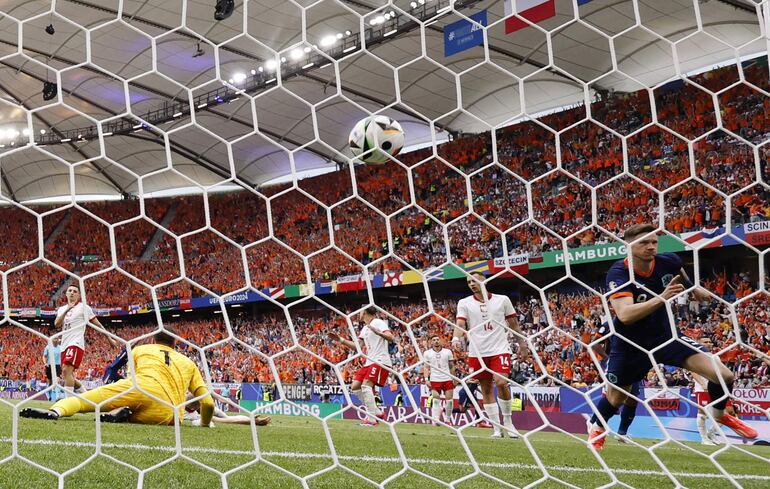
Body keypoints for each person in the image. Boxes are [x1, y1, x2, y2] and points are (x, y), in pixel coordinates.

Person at [588, 224, 757, 451]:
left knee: (723, 375)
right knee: (617, 398)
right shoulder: (619, 273)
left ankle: (719, 414)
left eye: (653, 242)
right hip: (631, 345)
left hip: (666, 338)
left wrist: (694, 289)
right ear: (628, 246)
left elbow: (679, 274)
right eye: (643, 242)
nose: (650, 247)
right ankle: (597, 427)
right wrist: (662, 297)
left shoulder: (669, 260)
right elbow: (625, 315)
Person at [20, 327, 215, 426]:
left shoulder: (141, 349)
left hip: (138, 389)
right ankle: (120, 414)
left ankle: (55, 412)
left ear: (154, 339)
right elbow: (208, 403)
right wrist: (204, 424)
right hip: (167, 413)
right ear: (175, 344)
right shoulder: (189, 363)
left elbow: (132, 379)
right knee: (141, 413)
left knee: (82, 402)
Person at [452, 272, 529, 439]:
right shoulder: (464, 303)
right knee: (486, 389)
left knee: (501, 382)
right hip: (477, 351)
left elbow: (514, 325)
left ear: (484, 281)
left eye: (474, 280)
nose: (471, 284)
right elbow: (460, 323)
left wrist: (522, 345)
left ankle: (508, 423)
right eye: (468, 282)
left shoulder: (502, 300)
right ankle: (496, 427)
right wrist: (456, 338)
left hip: (499, 349)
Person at [329, 306, 394, 426]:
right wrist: (341, 339)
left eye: (360, 311)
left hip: (380, 360)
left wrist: (378, 332)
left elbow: (391, 337)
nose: (358, 313)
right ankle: (377, 411)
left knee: (366, 386)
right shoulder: (365, 328)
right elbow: (357, 347)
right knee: (355, 386)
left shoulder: (378, 322)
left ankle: (371, 419)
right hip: (369, 361)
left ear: (365, 312)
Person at [54, 284, 117, 397]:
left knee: (67, 370)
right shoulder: (61, 309)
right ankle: (86, 396)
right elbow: (57, 325)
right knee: (66, 374)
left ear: (78, 295)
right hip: (64, 345)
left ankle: (68, 402)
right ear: (66, 293)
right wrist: (67, 310)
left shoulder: (84, 308)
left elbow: (98, 324)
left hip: (76, 343)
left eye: (75, 291)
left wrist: (109, 338)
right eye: (70, 290)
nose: (72, 293)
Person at [590, 322, 640, 443]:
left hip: (633, 364)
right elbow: (595, 343)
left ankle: (622, 433)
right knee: (612, 396)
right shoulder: (610, 324)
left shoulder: (639, 323)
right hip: (615, 364)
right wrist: (608, 358)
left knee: (632, 398)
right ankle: (593, 423)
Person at [422, 335, 456, 425]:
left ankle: (448, 420)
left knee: (449, 401)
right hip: (434, 379)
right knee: (436, 400)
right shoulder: (427, 353)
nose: (436, 341)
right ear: (431, 342)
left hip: (447, 378)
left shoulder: (448, 352)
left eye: (437, 339)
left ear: (440, 341)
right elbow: (426, 367)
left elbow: (452, 366)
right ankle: (436, 419)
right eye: (434, 340)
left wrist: (454, 378)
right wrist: (426, 379)